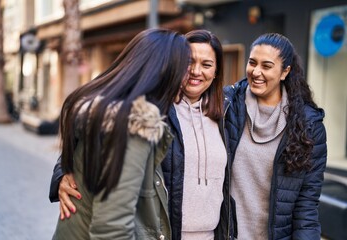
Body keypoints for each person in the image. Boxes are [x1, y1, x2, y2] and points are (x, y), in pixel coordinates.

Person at [49, 29, 234, 239]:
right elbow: (112, 226)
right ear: (165, 68)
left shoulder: (226, 109)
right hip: (161, 231)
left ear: (217, 71)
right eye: (186, 63)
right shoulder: (143, 118)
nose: (193, 71)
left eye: (207, 64)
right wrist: (63, 173)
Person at [224, 33, 327, 239]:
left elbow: (306, 204)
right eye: (252, 63)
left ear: (285, 72)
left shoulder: (308, 126)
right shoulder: (228, 107)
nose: (256, 71)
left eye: (267, 65)